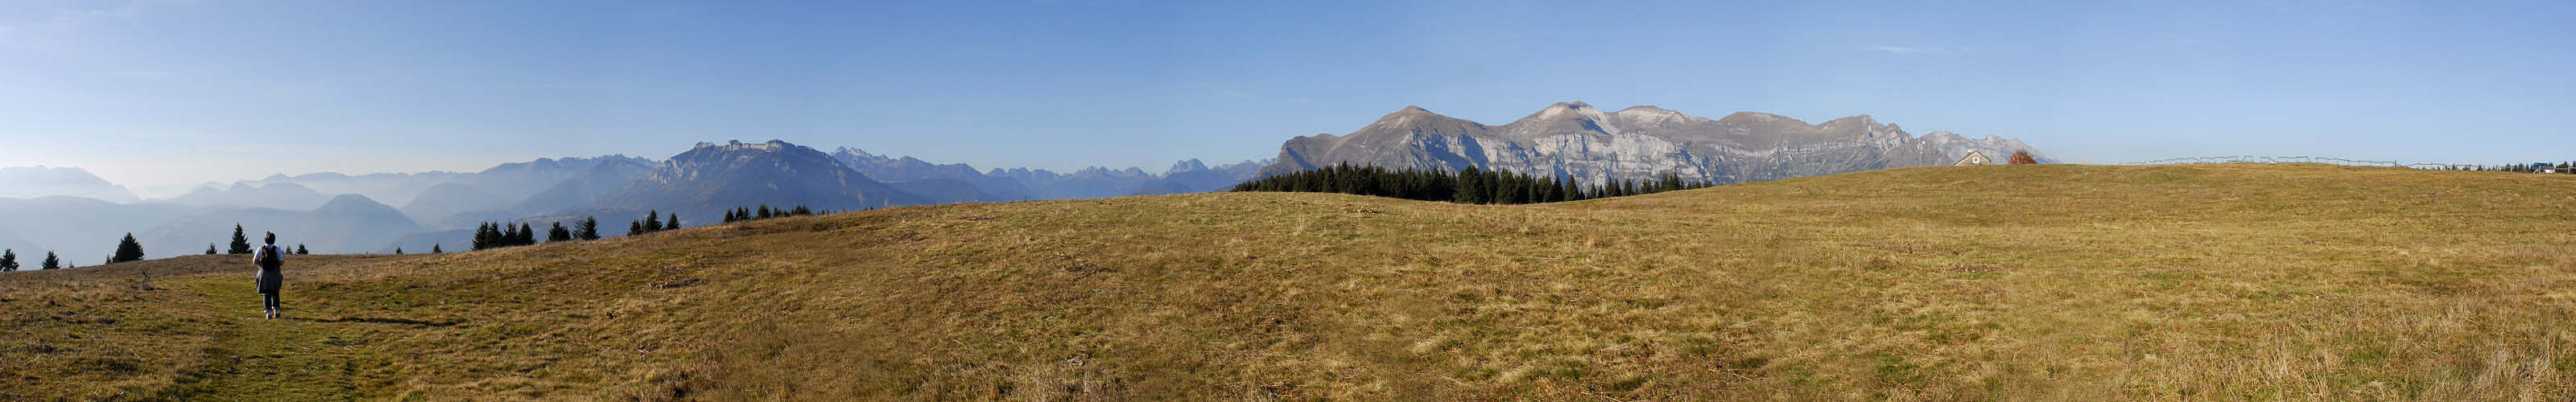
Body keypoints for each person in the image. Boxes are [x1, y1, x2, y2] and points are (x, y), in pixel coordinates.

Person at [253, 232, 286, 319]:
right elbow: (281, 262)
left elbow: (255, 261)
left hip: (263, 273)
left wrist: (261, 264)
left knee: (266, 293)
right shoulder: (277, 249)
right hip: (275, 273)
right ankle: (277, 311)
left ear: (265, 239)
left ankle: (268, 313)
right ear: (274, 240)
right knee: (275, 292)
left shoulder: (260, 249)